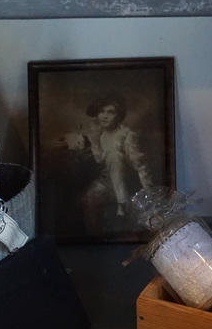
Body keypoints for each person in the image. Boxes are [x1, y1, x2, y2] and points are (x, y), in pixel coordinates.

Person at [54, 94, 154, 234]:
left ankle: (122, 203)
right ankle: (95, 239)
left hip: (126, 182)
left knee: (114, 156)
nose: (105, 116)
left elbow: (140, 165)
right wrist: (65, 140)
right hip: (106, 182)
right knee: (87, 199)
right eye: (102, 111)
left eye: (111, 112)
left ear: (118, 116)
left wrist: (148, 190)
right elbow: (82, 143)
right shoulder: (97, 134)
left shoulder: (127, 136)